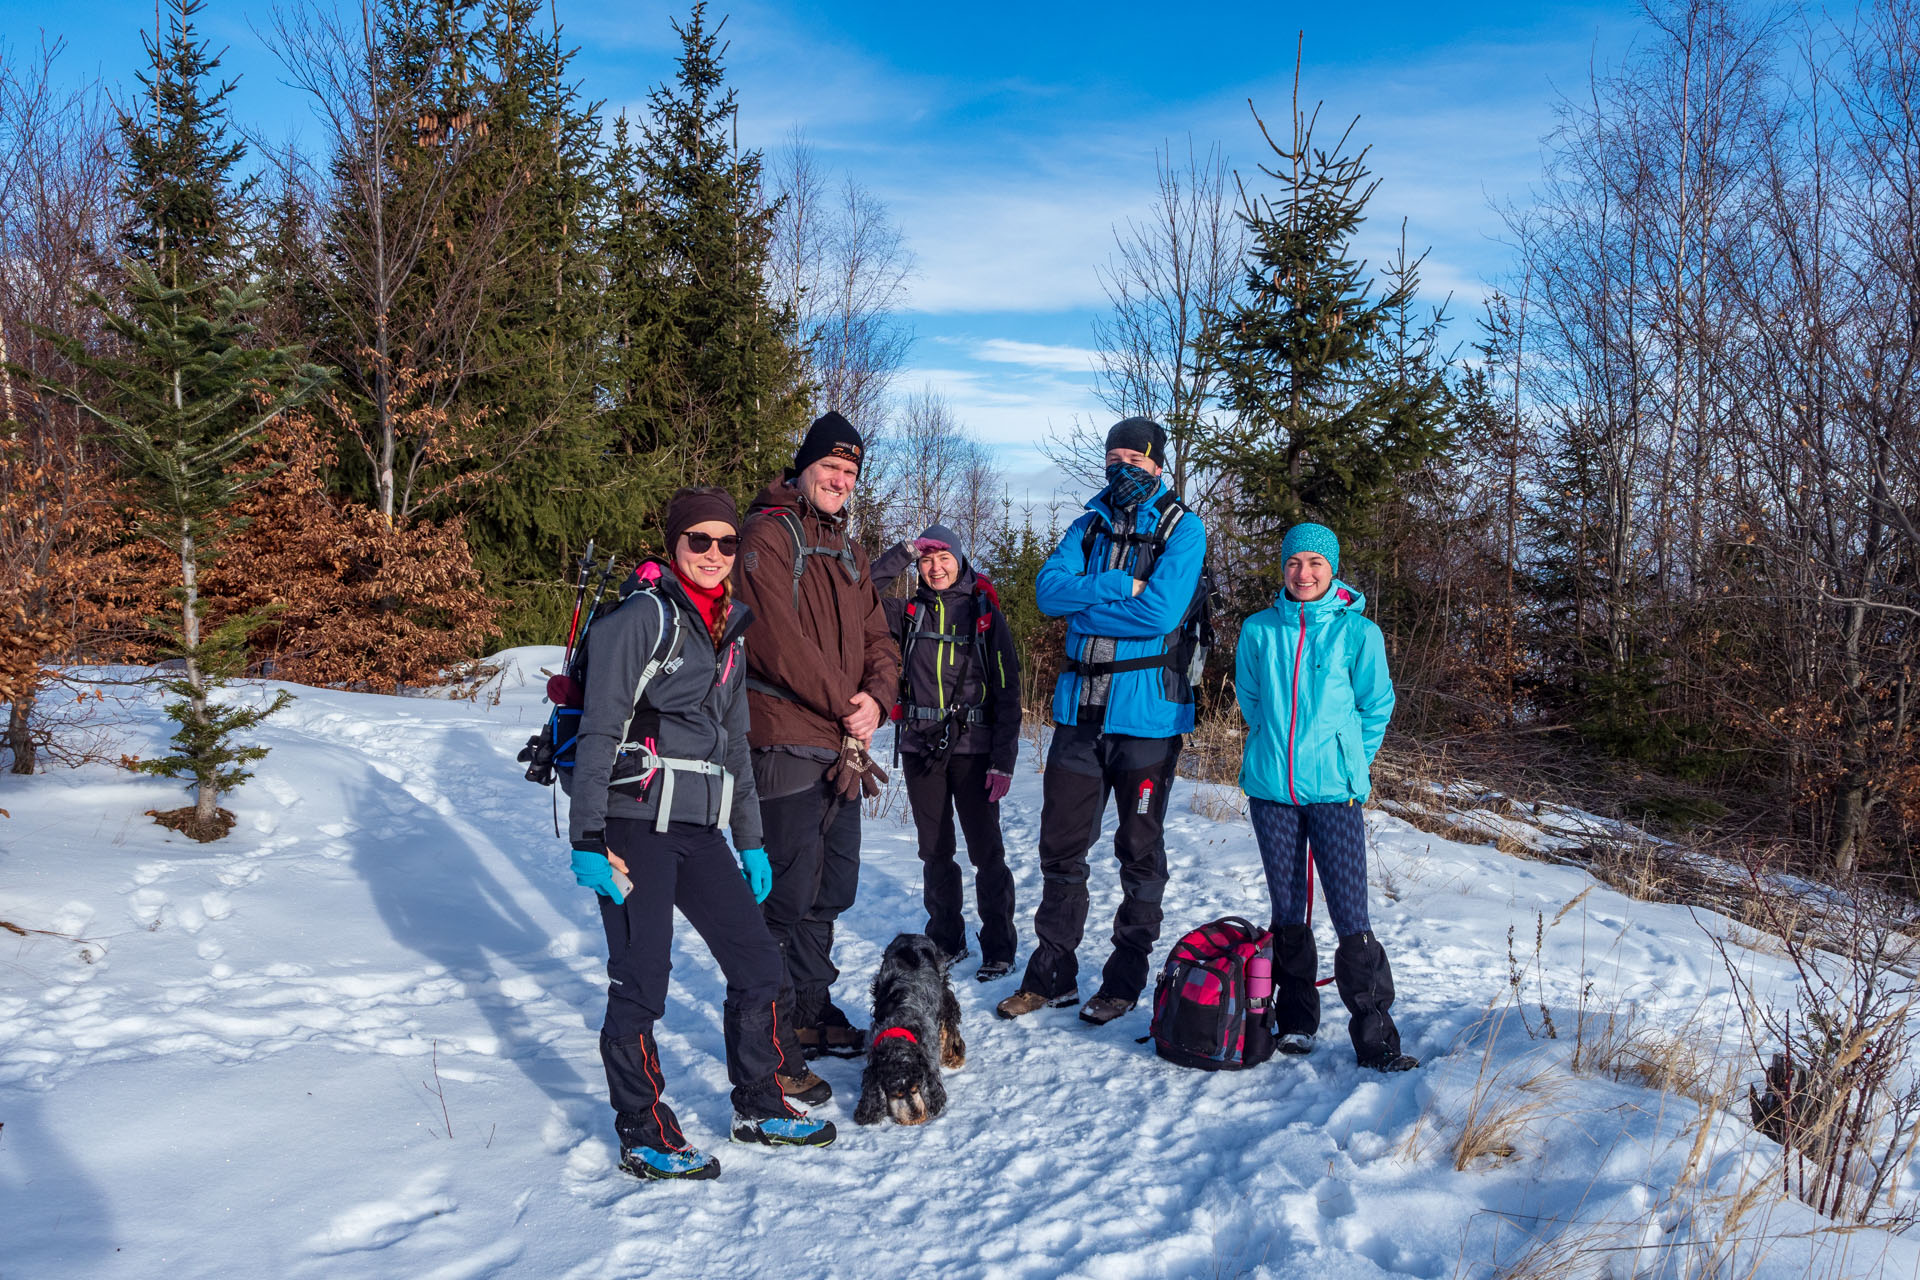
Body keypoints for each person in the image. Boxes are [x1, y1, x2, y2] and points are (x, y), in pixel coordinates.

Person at [565, 487, 836, 1182]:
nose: (714, 555)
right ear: (675, 545)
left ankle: (758, 1103)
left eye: (726, 543)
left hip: (699, 830)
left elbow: (737, 746)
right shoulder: (641, 620)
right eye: (699, 542)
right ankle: (644, 1133)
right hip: (633, 827)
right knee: (642, 982)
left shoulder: (727, 632)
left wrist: (749, 839)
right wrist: (587, 839)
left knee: (757, 964)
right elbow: (599, 732)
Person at [996, 417, 1207, 1028]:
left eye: (1135, 462)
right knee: (1061, 849)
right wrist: (1119, 583)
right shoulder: (1086, 525)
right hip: (1079, 717)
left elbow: (1162, 611)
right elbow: (1046, 594)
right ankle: (1051, 975)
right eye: (1114, 460)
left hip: (1148, 717)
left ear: (1158, 467)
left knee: (1138, 850)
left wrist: (1088, 606)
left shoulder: (1182, 529)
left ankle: (1124, 978)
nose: (1123, 471)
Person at [737, 412, 899, 1059]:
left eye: (850, 472)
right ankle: (768, 1024)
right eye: (830, 467)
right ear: (803, 467)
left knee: (832, 889)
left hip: (842, 746)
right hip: (782, 738)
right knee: (786, 892)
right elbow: (776, 641)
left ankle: (807, 1009)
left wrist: (878, 703)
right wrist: (847, 704)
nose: (839, 479)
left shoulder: (852, 553)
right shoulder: (766, 537)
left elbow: (880, 641)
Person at [1235, 521, 1415, 1072]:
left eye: (1314, 563)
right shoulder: (1259, 630)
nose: (1303, 573)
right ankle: (1295, 1022)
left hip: (1335, 792)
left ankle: (1377, 1040)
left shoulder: (1358, 633)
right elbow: (1252, 699)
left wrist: (1346, 762)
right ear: (1282, 569)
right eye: (1293, 563)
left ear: (1332, 569)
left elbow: (1375, 707)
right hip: (1272, 790)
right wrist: (1273, 744)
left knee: (1349, 914)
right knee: (1288, 911)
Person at [871, 523, 1023, 981]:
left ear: (960, 559)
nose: (935, 568)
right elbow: (859, 593)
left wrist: (1004, 760)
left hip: (975, 750)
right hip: (922, 747)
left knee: (986, 852)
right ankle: (945, 940)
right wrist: (901, 551)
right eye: (926, 560)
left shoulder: (984, 615)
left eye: (943, 558)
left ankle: (998, 946)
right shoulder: (907, 611)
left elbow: (1007, 691)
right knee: (934, 851)